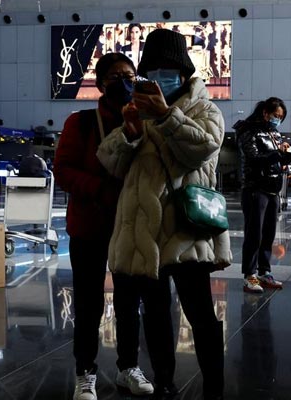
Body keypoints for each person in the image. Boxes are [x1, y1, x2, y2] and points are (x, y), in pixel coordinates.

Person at [97, 29, 231, 400]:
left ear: (184, 71)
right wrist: (130, 132)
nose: (159, 76)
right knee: (155, 315)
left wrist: (167, 116)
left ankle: (214, 388)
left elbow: (201, 149)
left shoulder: (205, 109)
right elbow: (109, 162)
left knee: (201, 314)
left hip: (187, 229)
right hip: (145, 230)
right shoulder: (136, 109)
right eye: (152, 69)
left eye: (168, 69)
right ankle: (165, 383)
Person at [55, 53, 141, 400]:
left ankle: (128, 367)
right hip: (90, 226)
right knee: (89, 303)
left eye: (130, 75)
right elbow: (63, 170)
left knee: (129, 301)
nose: (124, 81)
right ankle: (85, 372)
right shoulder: (82, 122)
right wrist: (101, 190)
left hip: (131, 227)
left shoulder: (144, 120)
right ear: (101, 82)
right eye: (116, 75)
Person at [234, 97, 291, 294]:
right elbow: (253, 158)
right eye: (276, 115)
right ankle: (249, 275)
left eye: (281, 117)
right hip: (255, 188)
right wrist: (277, 155)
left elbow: (275, 159)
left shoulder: (274, 133)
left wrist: (286, 155)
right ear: (265, 113)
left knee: (268, 234)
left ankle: (264, 271)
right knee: (254, 234)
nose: (278, 119)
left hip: (273, 189)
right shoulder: (247, 130)